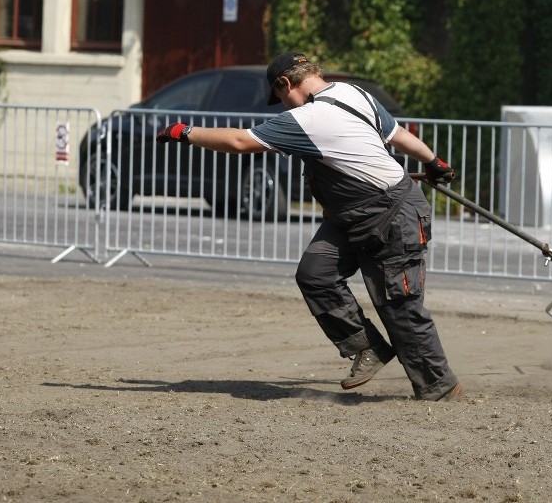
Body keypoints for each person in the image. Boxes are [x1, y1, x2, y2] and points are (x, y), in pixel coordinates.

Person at [156, 51, 463, 402]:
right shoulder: (354, 92)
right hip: (353, 217)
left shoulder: (307, 118)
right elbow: (397, 136)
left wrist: (186, 132)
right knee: (316, 273)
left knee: (399, 305)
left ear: (285, 84)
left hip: (392, 216)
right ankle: (368, 348)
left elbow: (240, 141)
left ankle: (440, 389)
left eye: (280, 97)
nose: (283, 106)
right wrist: (433, 161)